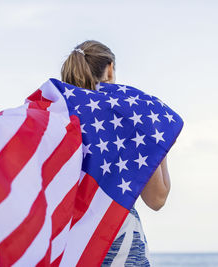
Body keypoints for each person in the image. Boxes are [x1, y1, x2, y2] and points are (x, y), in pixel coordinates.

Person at [61, 40, 171, 266]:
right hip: (117, 242)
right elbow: (157, 199)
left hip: (68, 244)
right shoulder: (130, 117)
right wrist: (161, 144)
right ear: (109, 69)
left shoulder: (57, 114)